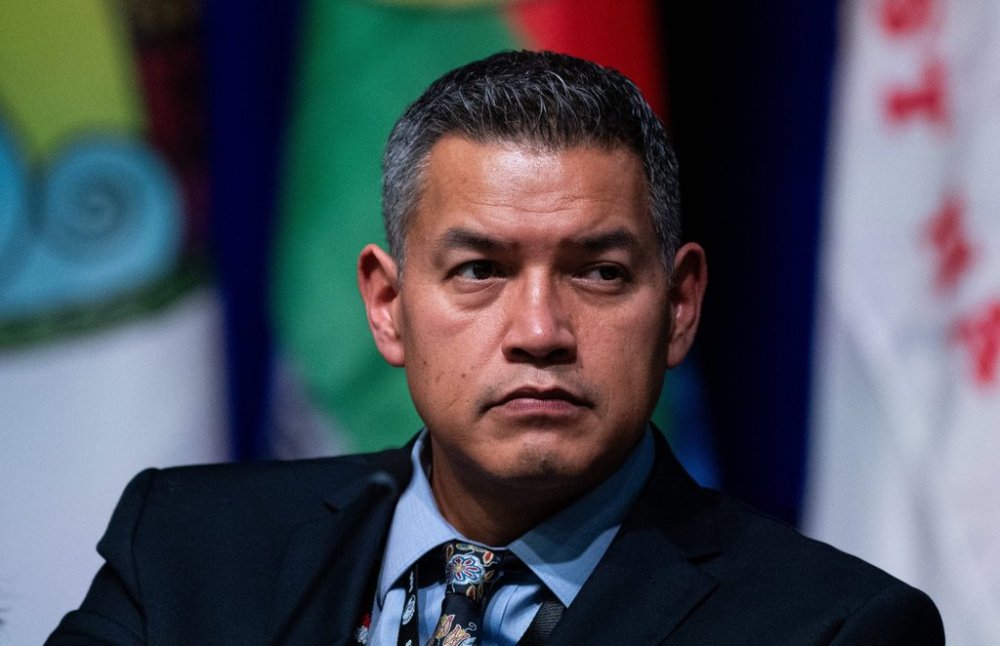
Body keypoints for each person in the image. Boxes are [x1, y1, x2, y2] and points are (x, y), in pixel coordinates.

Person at [48, 51, 944, 645]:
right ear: (388, 305)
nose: (540, 333)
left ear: (679, 306)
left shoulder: (835, 630)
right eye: (479, 270)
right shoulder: (183, 551)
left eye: (599, 273)